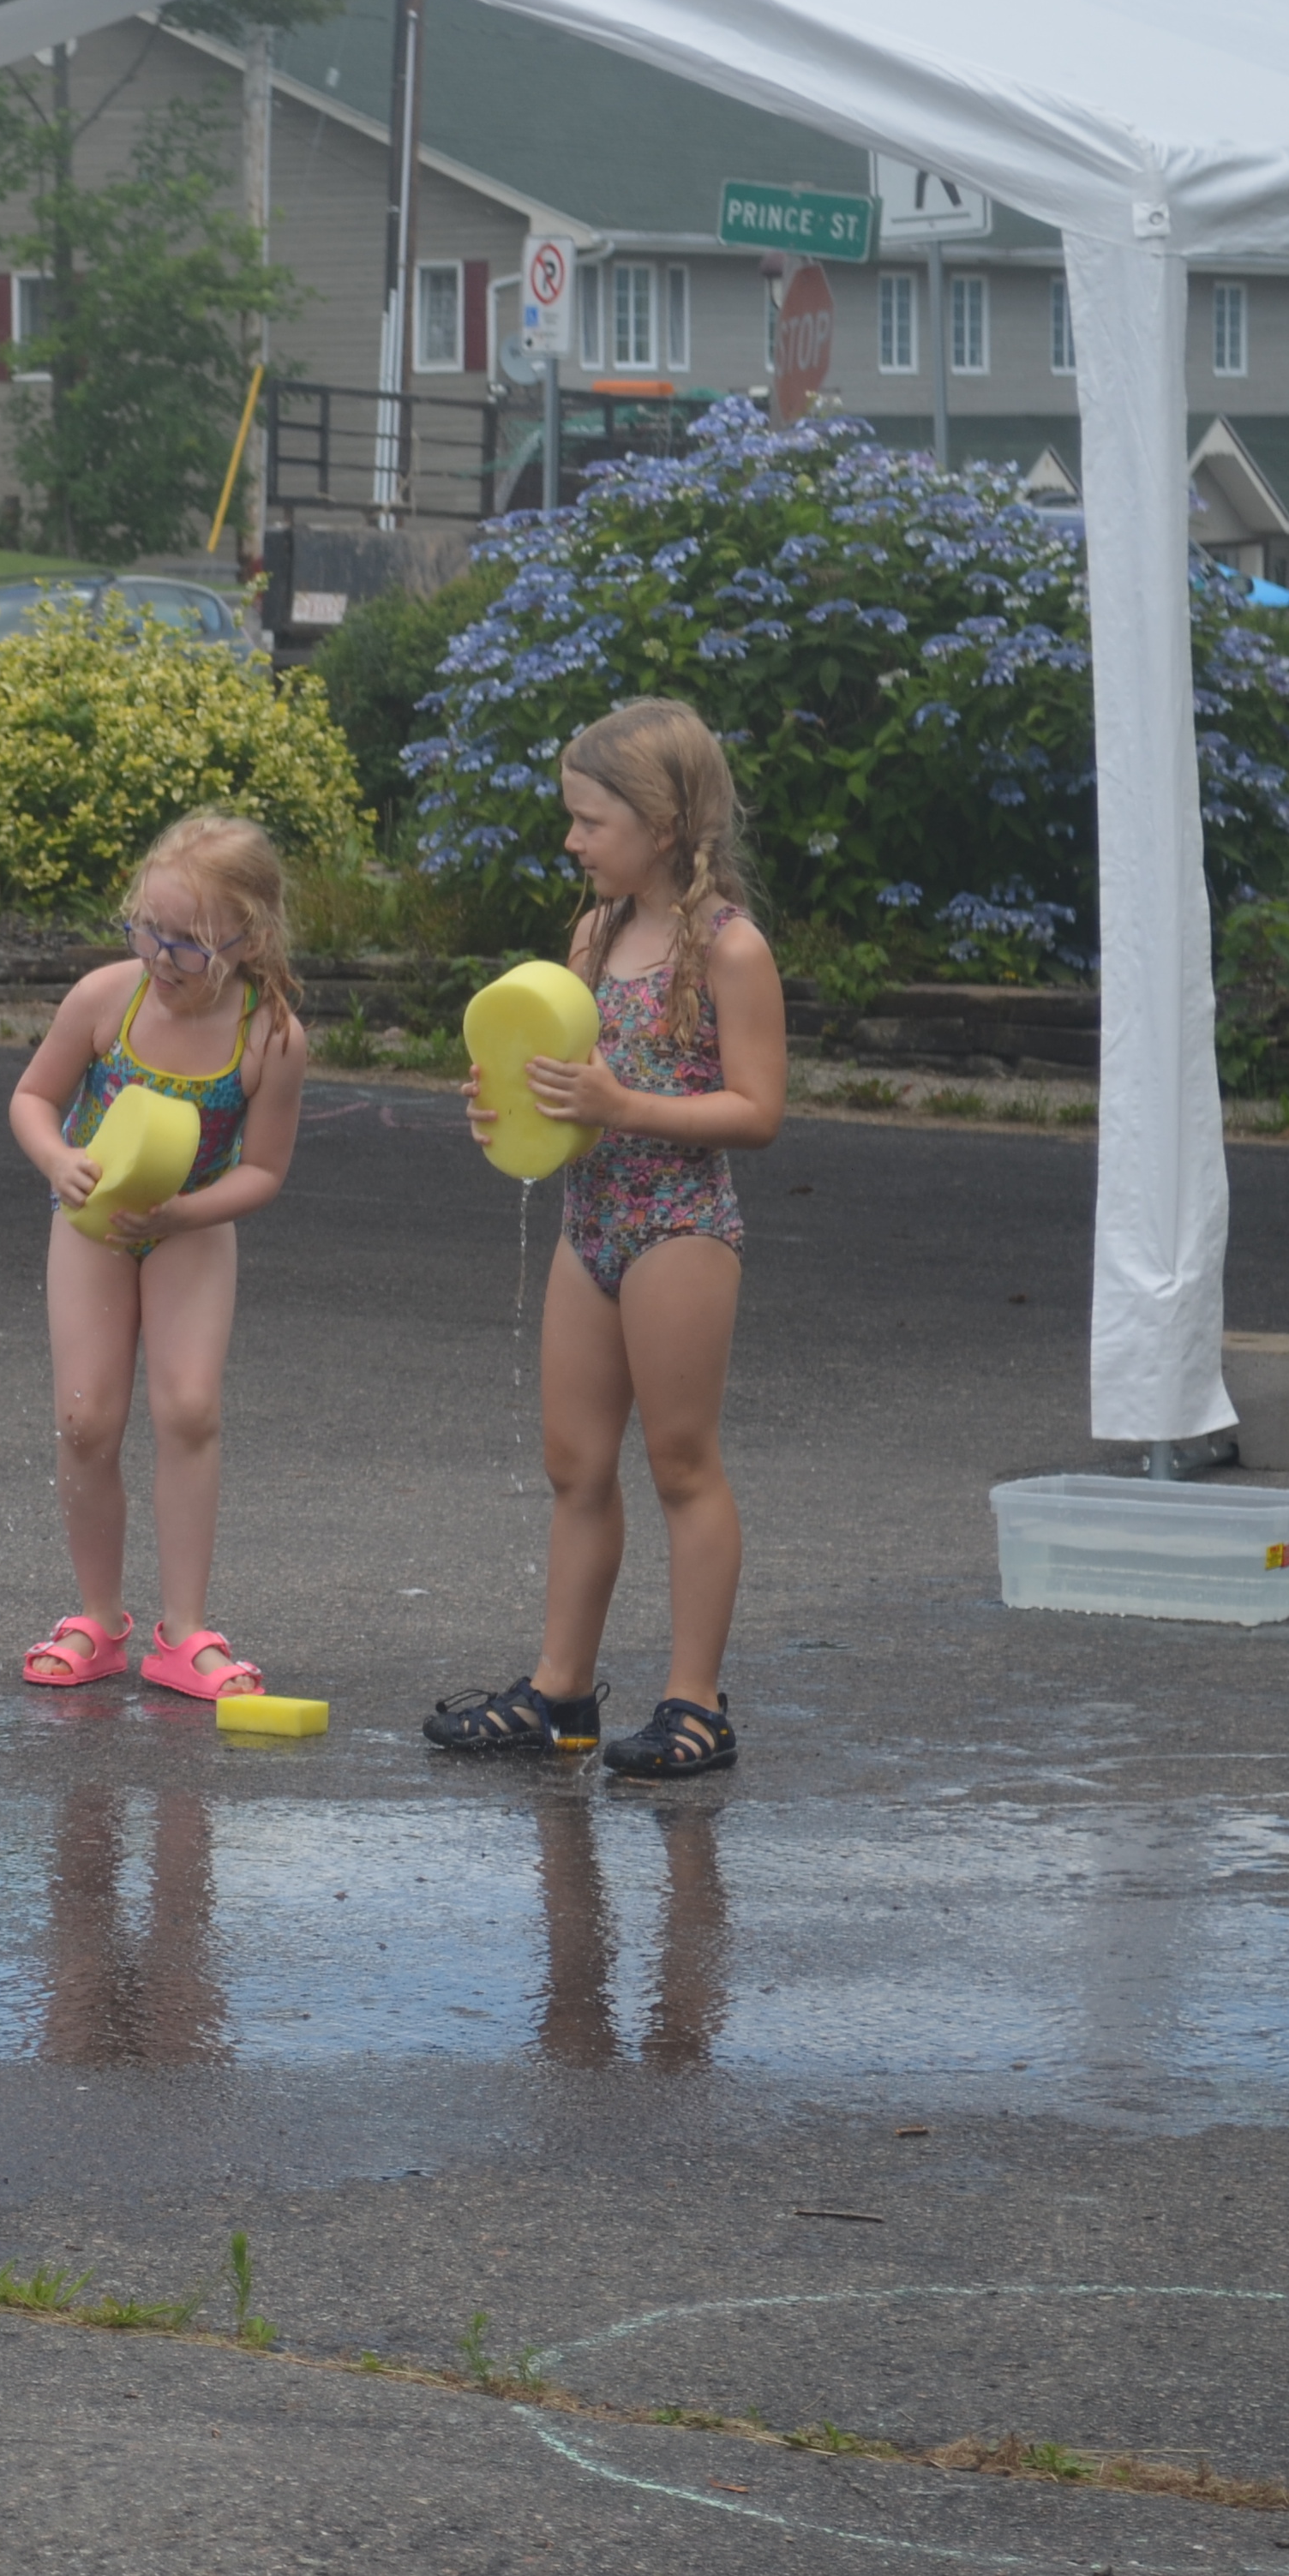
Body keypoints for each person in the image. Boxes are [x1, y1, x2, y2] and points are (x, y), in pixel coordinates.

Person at [427, 698, 782, 1782]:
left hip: (677, 1225)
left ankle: (696, 1705)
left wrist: (619, 1106)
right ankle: (559, 1692)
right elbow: (563, 1081)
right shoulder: (590, 938)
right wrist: (508, 1108)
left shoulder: (727, 950)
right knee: (573, 1464)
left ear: (661, 825)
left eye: (589, 821)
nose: (570, 840)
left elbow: (756, 1110)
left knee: (679, 1464)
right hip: (588, 1224)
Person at [3, 811, 314, 1700]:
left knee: (188, 1409)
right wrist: (58, 1159)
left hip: (192, 1226)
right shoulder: (109, 997)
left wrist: (181, 1213)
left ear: (249, 937)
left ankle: (185, 1631)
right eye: (147, 930)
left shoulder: (269, 1035)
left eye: (187, 945)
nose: (161, 958)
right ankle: (98, 1618)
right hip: (91, 1224)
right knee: (85, 1418)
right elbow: (31, 1099)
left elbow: (263, 1172)